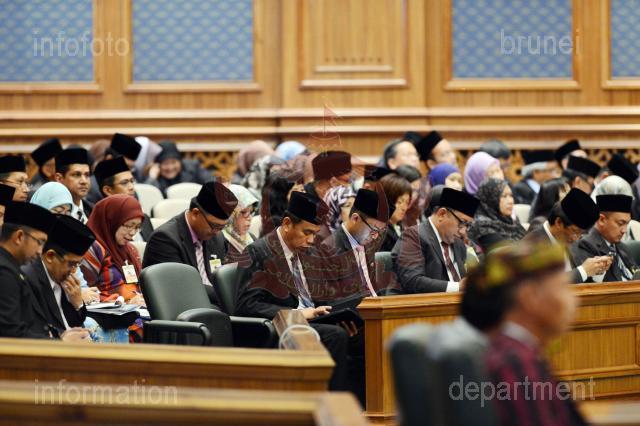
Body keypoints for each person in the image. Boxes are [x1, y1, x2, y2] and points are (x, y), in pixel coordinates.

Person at [235, 191, 356, 394]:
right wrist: (297, 315)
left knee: (362, 333)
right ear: (287, 224)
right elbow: (247, 305)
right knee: (336, 336)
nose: (311, 239)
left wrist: (341, 315)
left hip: (313, 320)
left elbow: (324, 295)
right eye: (307, 232)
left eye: (315, 233)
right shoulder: (258, 252)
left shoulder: (310, 251)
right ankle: (332, 405)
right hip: (279, 328)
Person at [480, 242, 587, 426]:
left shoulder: (521, 353)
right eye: (563, 287)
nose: (575, 300)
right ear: (530, 297)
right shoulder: (515, 363)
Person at [0, 201, 89, 341]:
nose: (40, 251)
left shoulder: (12, 268)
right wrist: (60, 343)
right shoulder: (5, 272)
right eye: (40, 242)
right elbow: (11, 335)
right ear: (19, 237)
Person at [143, 182, 238, 307]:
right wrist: (226, 294)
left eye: (222, 227)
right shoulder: (165, 239)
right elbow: (181, 286)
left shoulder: (217, 237)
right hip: (183, 308)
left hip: (214, 304)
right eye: (214, 225)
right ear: (195, 214)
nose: (217, 232)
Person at [82, 195, 146, 342]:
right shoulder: (93, 249)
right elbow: (86, 295)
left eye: (137, 227)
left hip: (136, 313)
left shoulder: (131, 250)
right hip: (111, 317)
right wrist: (125, 303)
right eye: (128, 225)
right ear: (111, 221)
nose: (132, 233)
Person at [392, 188, 479, 293]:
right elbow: (412, 281)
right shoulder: (413, 236)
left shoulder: (458, 242)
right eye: (462, 223)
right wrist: (458, 287)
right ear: (442, 214)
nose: (463, 231)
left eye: (468, 225)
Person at [22, 215, 95, 336]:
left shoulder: (62, 278)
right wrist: (61, 342)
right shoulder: (27, 280)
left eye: (78, 264)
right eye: (71, 264)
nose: (73, 271)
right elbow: (29, 334)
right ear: (50, 256)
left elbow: (73, 324)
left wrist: (77, 304)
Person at [526, 188, 611, 284]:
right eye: (575, 232)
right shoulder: (531, 245)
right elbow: (544, 286)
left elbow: (583, 280)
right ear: (559, 222)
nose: (576, 238)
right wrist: (583, 271)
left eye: (581, 233)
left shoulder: (570, 242)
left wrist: (596, 270)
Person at [320, 188, 388, 300]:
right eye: (373, 230)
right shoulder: (329, 249)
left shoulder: (367, 241)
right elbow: (334, 300)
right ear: (355, 218)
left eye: (380, 231)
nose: (375, 236)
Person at [571, 194, 638, 282]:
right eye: (620, 223)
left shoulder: (621, 246)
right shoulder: (586, 245)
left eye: (627, 224)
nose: (624, 230)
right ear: (602, 220)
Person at [94, 156, 154, 241]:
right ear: (108, 190)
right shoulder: (102, 225)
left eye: (132, 181)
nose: (131, 187)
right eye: (124, 183)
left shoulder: (144, 219)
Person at [468, 178, 526, 245]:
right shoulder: (483, 225)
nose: (510, 201)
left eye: (511, 195)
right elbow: (506, 250)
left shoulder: (510, 220)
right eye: (504, 196)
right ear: (490, 199)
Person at [145, 141, 213, 197]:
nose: (170, 167)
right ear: (158, 165)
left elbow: (211, 182)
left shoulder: (193, 167)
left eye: (173, 162)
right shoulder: (153, 175)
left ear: (180, 161)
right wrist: (152, 178)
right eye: (165, 163)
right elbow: (147, 196)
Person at [54, 147, 93, 223]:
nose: (84, 181)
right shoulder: (53, 212)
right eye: (76, 175)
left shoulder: (94, 210)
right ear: (59, 178)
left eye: (87, 175)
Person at [222, 184, 259, 264]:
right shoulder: (219, 241)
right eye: (243, 212)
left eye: (251, 212)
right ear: (229, 213)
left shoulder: (252, 238)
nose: (249, 218)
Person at [379, 173, 412, 252]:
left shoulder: (400, 225)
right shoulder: (378, 232)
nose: (404, 208)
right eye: (399, 202)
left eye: (407, 203)